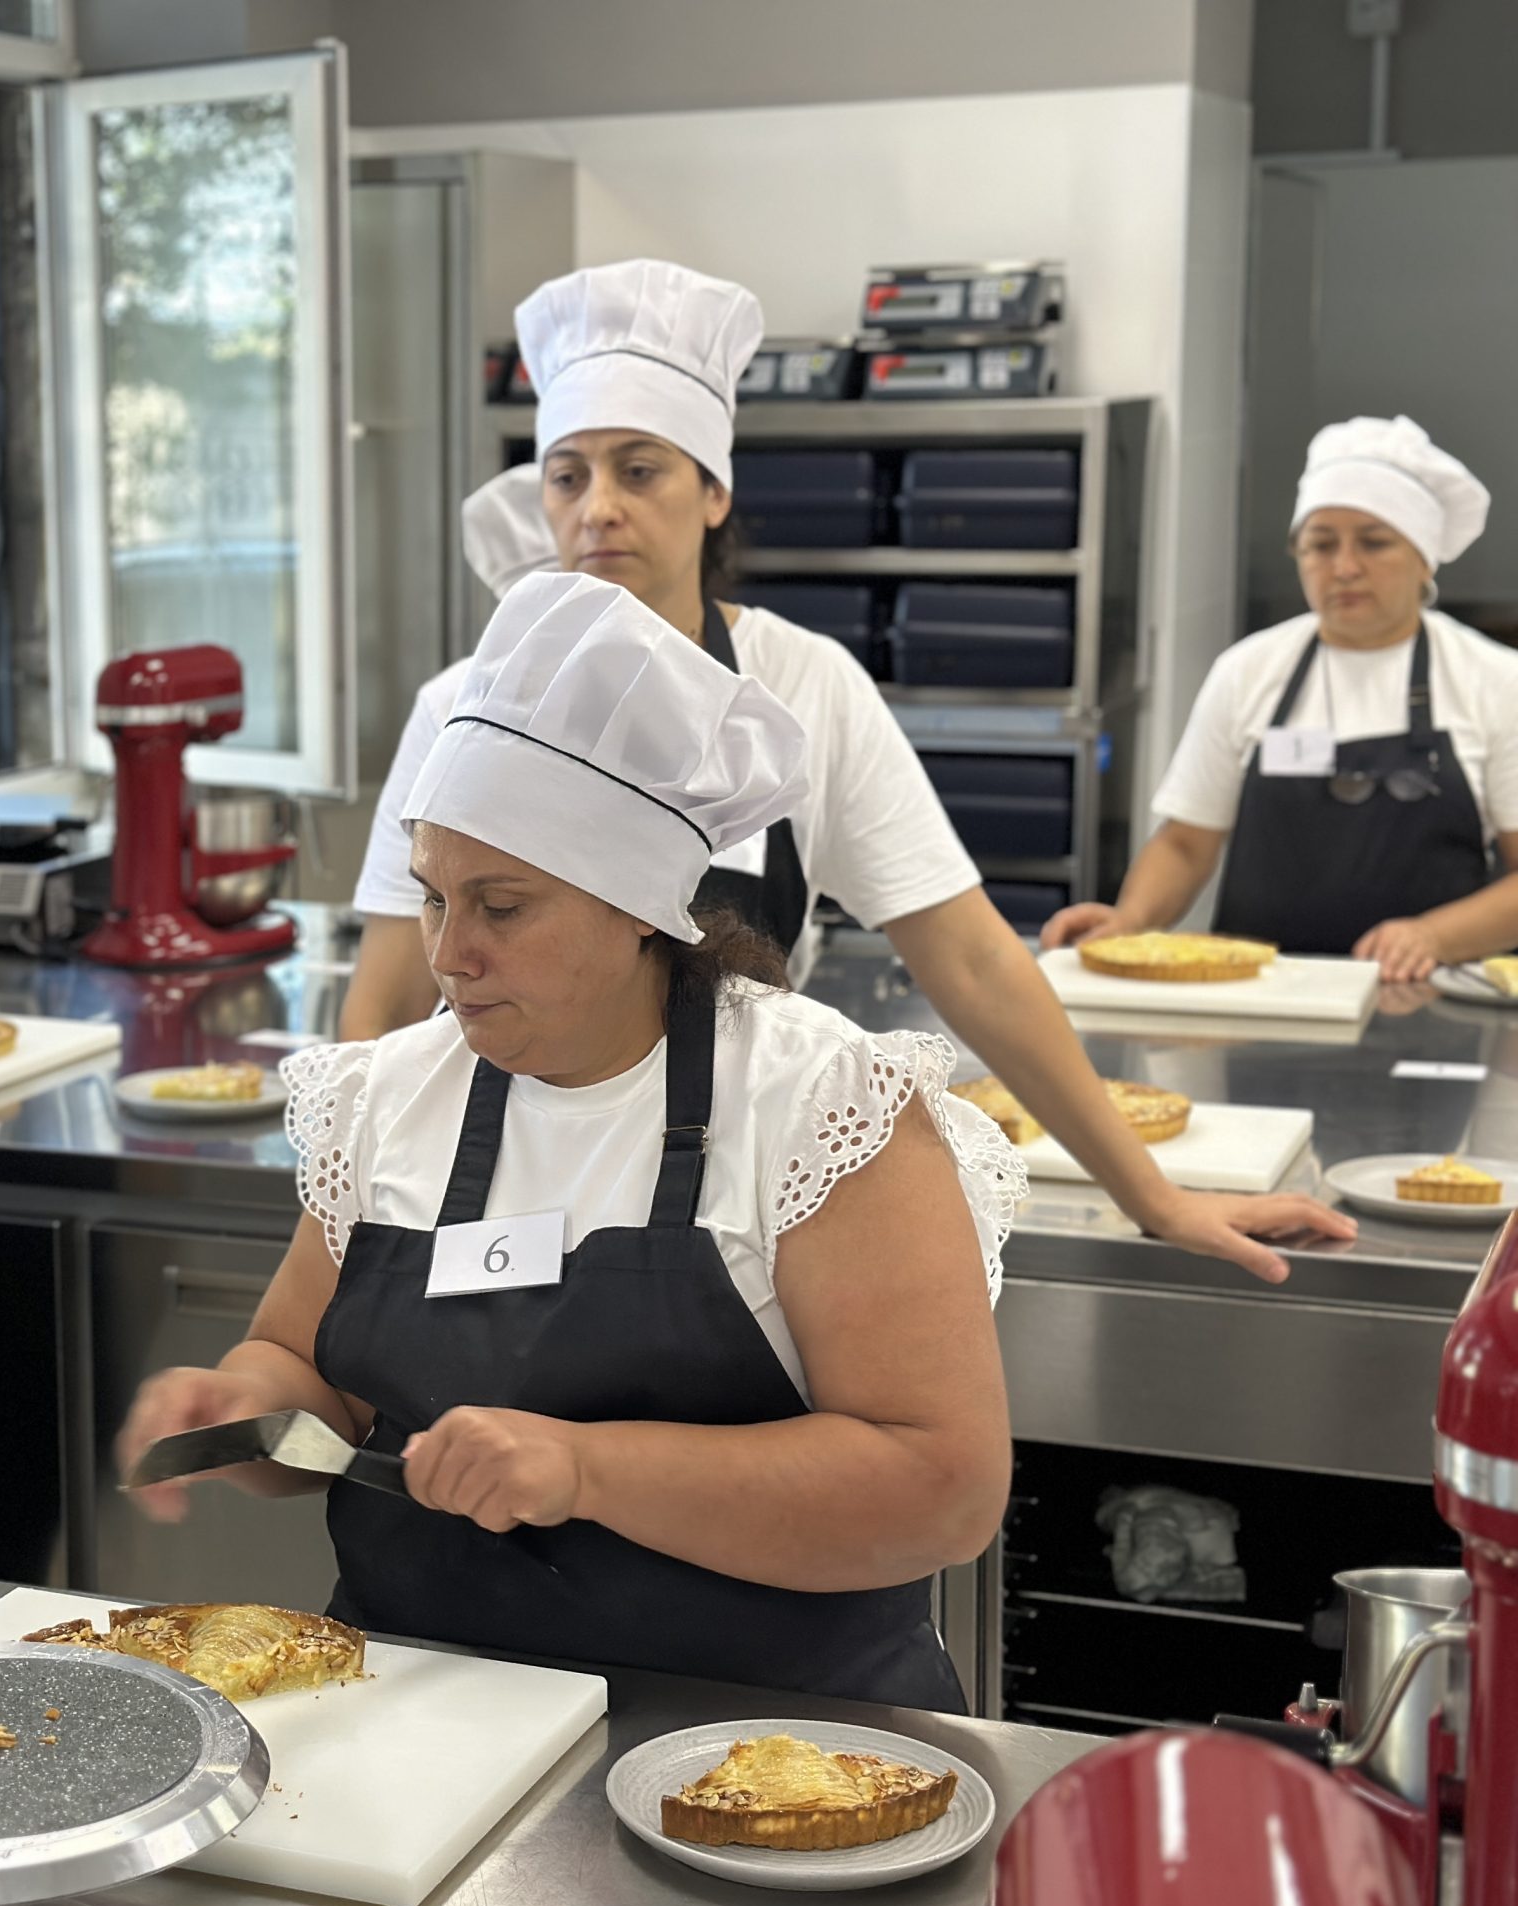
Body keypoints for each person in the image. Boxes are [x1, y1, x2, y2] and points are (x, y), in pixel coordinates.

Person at [340, 258, 1350, 1284]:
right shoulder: (459, 705)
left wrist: (1153, 1196)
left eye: (639, 470)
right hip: (501, 1186)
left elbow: (971, 959)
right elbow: (379, 1014)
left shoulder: (800, 685)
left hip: (732, 1189)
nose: (597, 508)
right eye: (567, 475)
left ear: (714, 490)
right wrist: (366, 1245)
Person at [121, 573, 1019, 1707]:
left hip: (780, 1745)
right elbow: (311, 1378)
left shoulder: (817, 1106)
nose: (449, 954)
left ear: (637, 903)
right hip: (426, 1734)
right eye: (431, 900)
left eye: (500, 907)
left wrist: (587, 1469)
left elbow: (938, 1488)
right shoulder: (391, 1095)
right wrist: (238, 1409)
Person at [1044, 417, 1509, 982]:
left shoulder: (1493, 681)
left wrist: (1432, 936)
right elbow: (1186, 843)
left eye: (1374, 542)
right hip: (1259, 997)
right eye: (1320, 544)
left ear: (1425, 558)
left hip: (1432, 997)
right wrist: (1130, 920)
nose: (1344, 567)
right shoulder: (1248, 671)